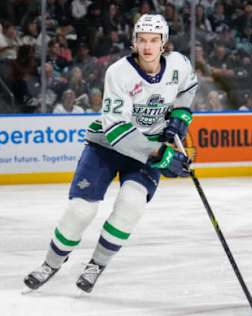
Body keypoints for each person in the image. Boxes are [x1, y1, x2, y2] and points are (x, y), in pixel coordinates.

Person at [24, 14, 197, 293]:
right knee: (80, 210)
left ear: (164, 44)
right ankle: (51, 262)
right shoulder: (119, 72)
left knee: (131, 204)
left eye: (154, 40)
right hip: (106, 145)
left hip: (148, 148)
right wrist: (158, 153)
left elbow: (187, 89)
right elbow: (116, 131)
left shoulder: (179, 64)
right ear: (134, 42)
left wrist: (179, 117)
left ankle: (96, 264)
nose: (148, 46)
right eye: (142, 40)